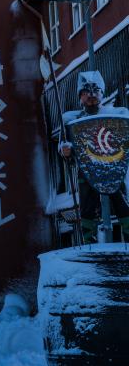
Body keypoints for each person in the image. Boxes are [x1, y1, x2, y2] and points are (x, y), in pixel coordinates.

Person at [59, 72, 129, 243]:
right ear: (80, 96)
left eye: (95, 91)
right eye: (86, 92)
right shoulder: (71, 121)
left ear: (101, 93)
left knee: (123, 204)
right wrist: (65, 150)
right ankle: (90, 243)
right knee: (88, 208)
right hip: (87, 170)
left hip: (113, 166)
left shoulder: (117, 115)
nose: (90, 95)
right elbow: (63, 147)